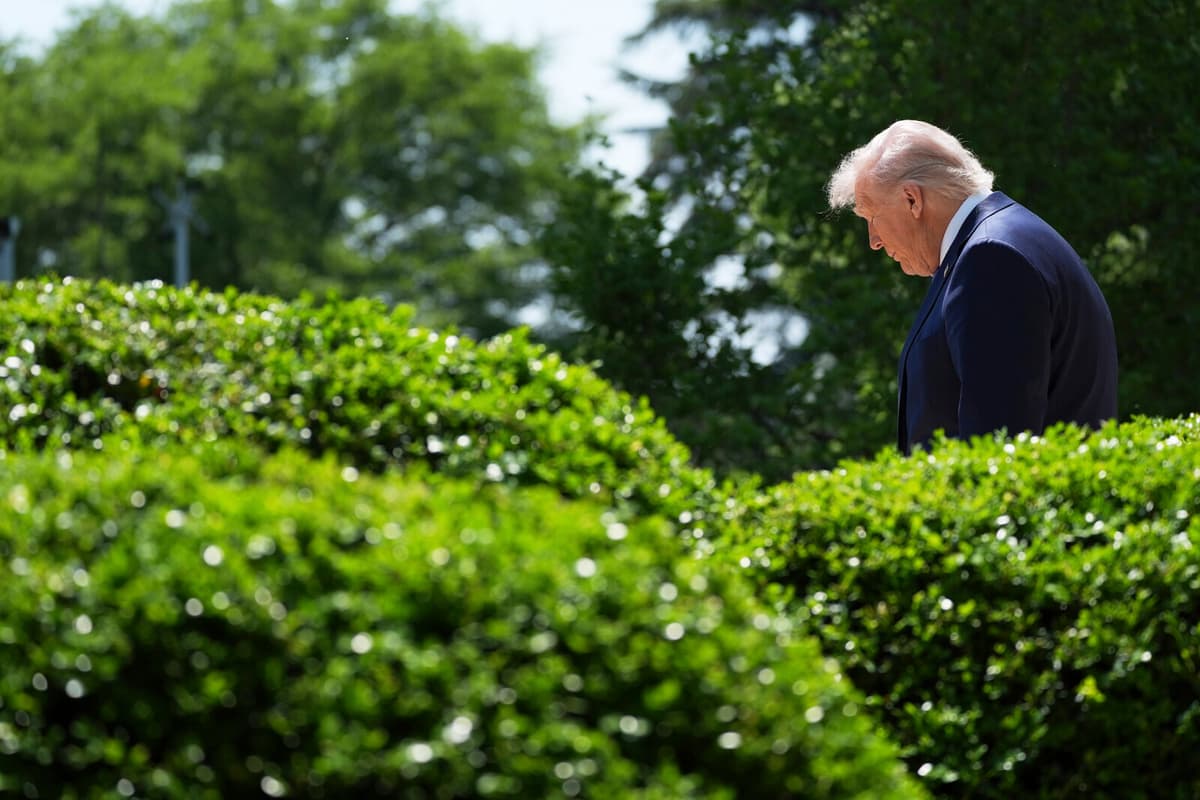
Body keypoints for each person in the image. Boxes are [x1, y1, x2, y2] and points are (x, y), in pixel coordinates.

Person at [826, 120, 1118, 453]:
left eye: (871, 217)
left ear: (912, 199)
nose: (873, 241)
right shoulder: (999, 242)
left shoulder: (990, 259)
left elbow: (996, 446)